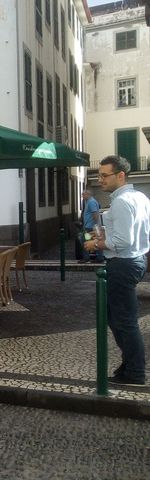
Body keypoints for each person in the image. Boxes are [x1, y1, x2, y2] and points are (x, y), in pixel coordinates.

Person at [85, 155, 150, 386]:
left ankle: (135, 372)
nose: (100, 179)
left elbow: (123, 241)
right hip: (133, 261)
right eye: (99, 175)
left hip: (123, 263)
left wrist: (97, 244)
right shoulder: (139, 196)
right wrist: (104, 236)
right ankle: (130, 365)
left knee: (123, 321)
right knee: (115, 318)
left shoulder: (123, 201)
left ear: (120, 175)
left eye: (104, 175)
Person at [78, 189, 105, 264]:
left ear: (88, 194)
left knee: (85, 240)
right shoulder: (90, 202)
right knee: (96, 240)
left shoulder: (91, 202)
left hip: (91, 226)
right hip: (90, 225)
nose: (82, 196)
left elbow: (95, 213)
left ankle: (87, 257)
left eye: (83, 194)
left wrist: (96, 225)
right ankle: (99, 257)